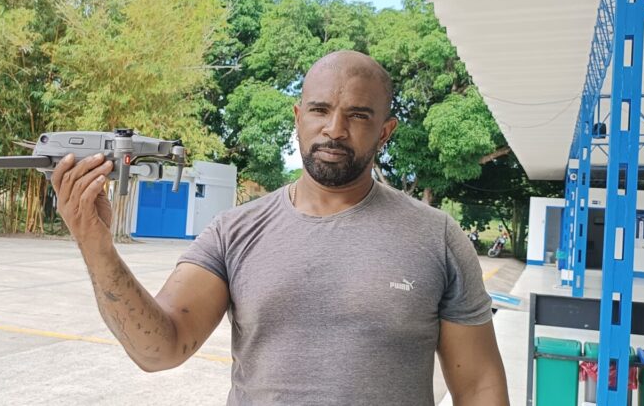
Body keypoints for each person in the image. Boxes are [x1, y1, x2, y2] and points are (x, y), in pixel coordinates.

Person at [51, 50, 509, 405]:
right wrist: (96, 244)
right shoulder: (234, 232)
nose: (334, 129)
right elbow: (159, 349)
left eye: (358, 115)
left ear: (385, 131)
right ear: (297, 117)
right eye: (319, 110)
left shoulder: (437, 237)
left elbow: (480, 386)